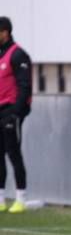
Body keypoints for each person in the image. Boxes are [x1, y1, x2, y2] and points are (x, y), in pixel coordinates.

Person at [0, 17, 32, 214]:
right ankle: (1, 198)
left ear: (5, 32)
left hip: (11, 111)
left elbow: (25, 86)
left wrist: (16, 113)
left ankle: (21, 197)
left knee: (14, 153)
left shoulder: (18, 54)